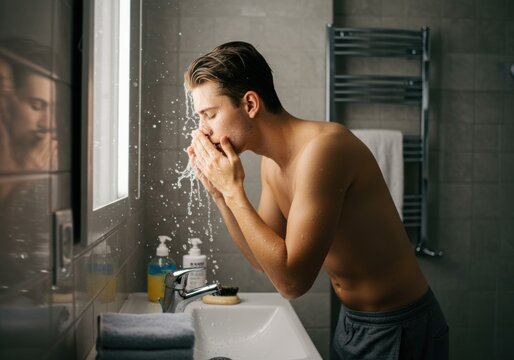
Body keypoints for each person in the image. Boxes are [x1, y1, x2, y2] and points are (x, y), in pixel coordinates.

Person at [185, 41, 448, 359]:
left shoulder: (324, 150)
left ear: (250, 104)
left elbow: (292, 284)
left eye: (209, 115)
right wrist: (220, 196)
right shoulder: (272, 163)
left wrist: (234, 191)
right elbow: (263, 260)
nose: (204, 131)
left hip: (400, 327)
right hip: (351, 322)